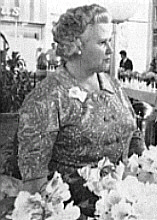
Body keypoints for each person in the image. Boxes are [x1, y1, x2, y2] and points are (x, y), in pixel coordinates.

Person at [12, 4, 145, 218]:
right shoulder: (47, 97)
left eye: (109, 41)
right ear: (77, 45)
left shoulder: (112, 85)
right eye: (103, 43)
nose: (111, 50)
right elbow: (35, 183)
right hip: (72, 212)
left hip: (121, 207)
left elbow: (134, 135)